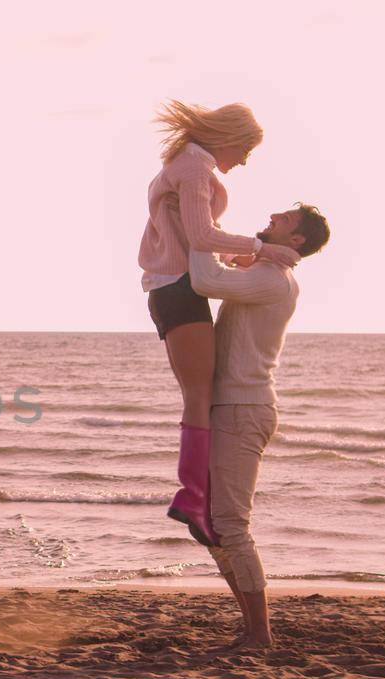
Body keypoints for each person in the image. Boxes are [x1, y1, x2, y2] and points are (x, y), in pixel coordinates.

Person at [139, 100, 298, 547]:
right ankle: (191, 498)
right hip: (178, 287)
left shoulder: (190, 165)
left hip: (174, 285)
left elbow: (199, 237)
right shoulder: (192, 167)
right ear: (230, 137)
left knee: (201, 394)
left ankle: (197, 496)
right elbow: (202, 235)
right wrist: (262, 249)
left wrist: (236, 254)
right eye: (246, 149)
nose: (245, 160)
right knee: (199, 394)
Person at [187, 203, 332, 651]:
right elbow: (227, 263)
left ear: (298, 240)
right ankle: (251, 627)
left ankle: (260, 634)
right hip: (229, 407)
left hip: (243, 409)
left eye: (285, 219)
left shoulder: (272, 280)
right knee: (206, 524)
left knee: (230, 524)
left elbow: (205, 281)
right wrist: (227, 245)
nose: (273, 216)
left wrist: (198, 231)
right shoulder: (266, 270)